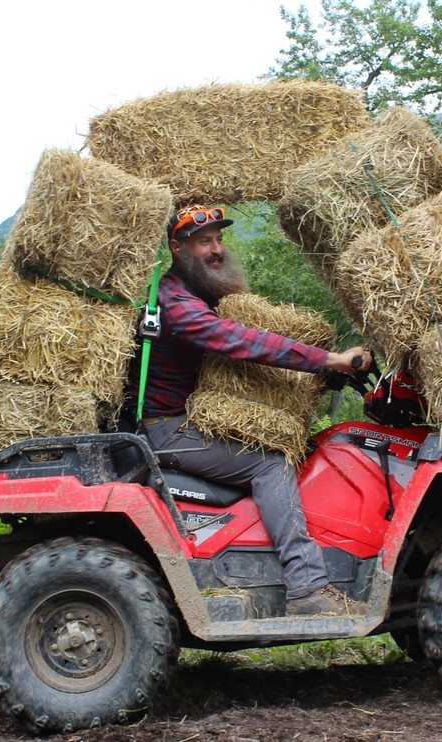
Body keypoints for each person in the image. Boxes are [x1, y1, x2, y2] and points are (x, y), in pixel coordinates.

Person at [127, 204, 372, 617]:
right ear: (178, 248)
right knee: (271, 463)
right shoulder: (174, 302)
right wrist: (329, 360)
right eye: (204, 242)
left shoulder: (199, 293)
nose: (217, 249)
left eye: (219, 240)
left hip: (186, 417)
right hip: (165, 428)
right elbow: (240, 341)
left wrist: (320, 376)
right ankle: (307, 587)